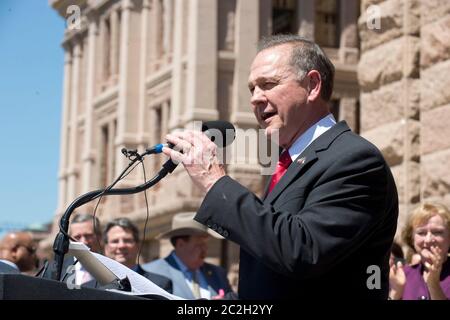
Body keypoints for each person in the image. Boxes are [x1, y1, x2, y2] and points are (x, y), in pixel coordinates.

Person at [162, 34, 399, 299]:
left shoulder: (356, 160)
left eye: (268, 84)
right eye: (252, 88)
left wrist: (214, 181)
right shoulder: (285, 165)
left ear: (312, 85)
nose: (255, 98)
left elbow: (301, 251)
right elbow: (272, 275)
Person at [142, 212, 233, 299]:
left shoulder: (218, 273)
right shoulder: (152, 272)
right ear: (180, 244)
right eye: (199, 244)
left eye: (205, 244)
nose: (205, 249)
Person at [389, 203, 450, 300]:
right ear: (411, 238)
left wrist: (433, 284)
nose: (428, 239)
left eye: (437, 232)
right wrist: (395, 293)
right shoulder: (403, 276)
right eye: (421, 233)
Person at [103, 217, 173, 293]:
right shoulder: (90, 288)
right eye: (115, 241)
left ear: (138, 246)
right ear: (106, 247)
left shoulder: (160, 285)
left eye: (127, 240)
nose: (121, 245)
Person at [43, 213, 102, 285]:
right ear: (69, 240)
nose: (83, 241)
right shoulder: (54, 270)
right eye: (77, 237)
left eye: (88, 236)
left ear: (99, 237)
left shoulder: (112, 269)